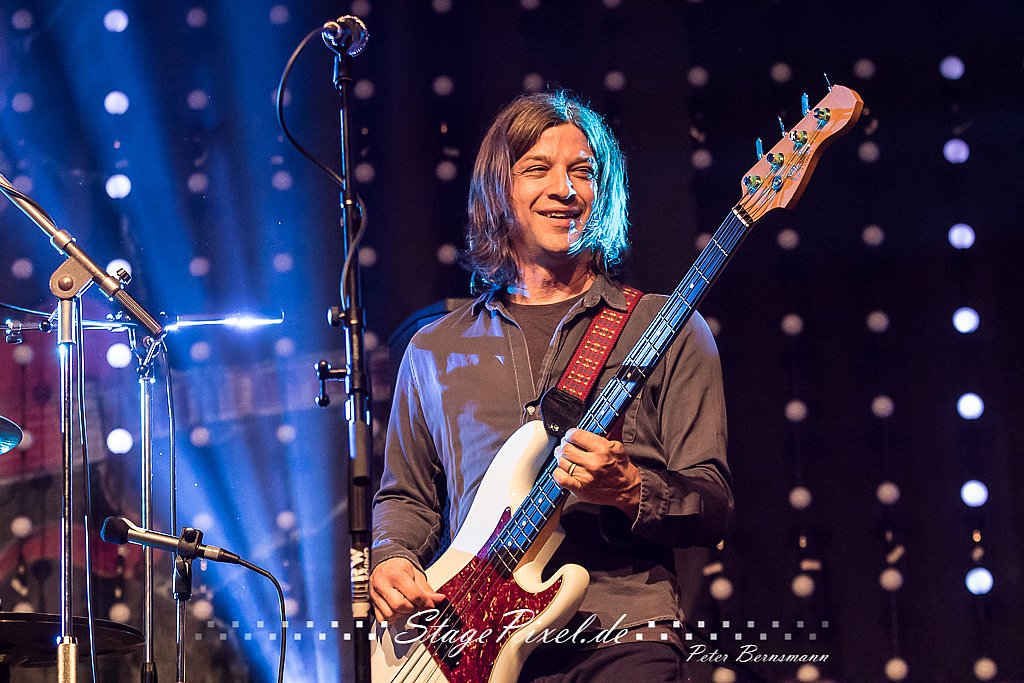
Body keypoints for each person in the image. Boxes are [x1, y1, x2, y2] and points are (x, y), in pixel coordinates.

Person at [370, 90, 733, 682]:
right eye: (537, 169)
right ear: (498, 189)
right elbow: (407, 497)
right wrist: (391, 558)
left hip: (621, 633)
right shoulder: (434, 349)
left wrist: (631, 489)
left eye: (583, 172)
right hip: (469, 644)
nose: (565, 189)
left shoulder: (668, 328)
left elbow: (712, 503)